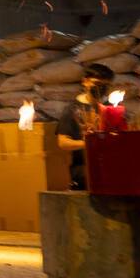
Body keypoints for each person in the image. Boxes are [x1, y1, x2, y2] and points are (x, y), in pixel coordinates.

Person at [56, 62, 118, 190]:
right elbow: (62, 142)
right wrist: (88, 143)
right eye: (97, 84)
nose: (101, 88)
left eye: (105, 85)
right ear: (85, 81)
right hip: (84, 171)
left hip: (109, 167)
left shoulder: (111, 108)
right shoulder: (73, 109)